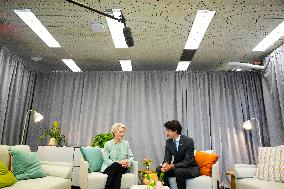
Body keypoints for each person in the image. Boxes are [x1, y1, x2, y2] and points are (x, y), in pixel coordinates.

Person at [156, 120, 199, 189]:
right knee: (159, 169)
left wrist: (172, 166)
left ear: (175, 131)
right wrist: (165, 165)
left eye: (168, 131)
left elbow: (188, 161)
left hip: (189, 168)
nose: (166, 133)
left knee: (179, 171)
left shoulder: (188, 141)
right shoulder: (168, 142)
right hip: (176, 168)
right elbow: (167, 158)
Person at [100, 123, 134, 189]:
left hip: (122, 167)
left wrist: (127, 162)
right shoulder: (108, 144)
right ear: (114, 132)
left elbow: (131, 157)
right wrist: (118, 163)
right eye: (120, 132)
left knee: (118, 167)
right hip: (109, 167)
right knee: (116, 167)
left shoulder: (126, 144)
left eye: (123, 132)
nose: (122, 134)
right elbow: (106, 160)